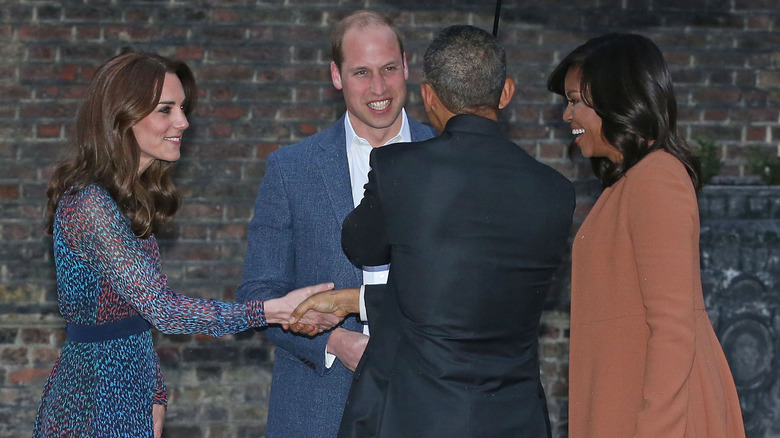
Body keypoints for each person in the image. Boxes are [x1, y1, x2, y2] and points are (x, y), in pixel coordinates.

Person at [33, 50, 336, 438]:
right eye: (166, 109)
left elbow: (135, 318)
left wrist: (155, 394)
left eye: (182, 107)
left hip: (128, 393)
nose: (183, 121)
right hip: (93, 401)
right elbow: (164, 311)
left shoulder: (126, 200)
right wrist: (269, 311)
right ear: (121, 117)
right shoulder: (90, 204)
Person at [292, 24, 576, 438]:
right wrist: (357, 300)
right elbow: (477, 299)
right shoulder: (556, 192)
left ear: (428, 96)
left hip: (419, 416)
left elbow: (361, 246)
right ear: (507, 92)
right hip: (515, 420)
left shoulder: (399, 169)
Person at [234, 10, 436, 438]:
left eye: (388, 69)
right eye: (361, 72)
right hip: (317, 407)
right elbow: (258, 293)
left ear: (406, 64)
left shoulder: (448, 155)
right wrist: (333, 343)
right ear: (336, 76)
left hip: (433, 404)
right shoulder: (292, 169)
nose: (378, 88)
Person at [546, 33, 745, 437]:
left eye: (574, 101)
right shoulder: (631, 183)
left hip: (655, 418)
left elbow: (673, 328)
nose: (567, 116)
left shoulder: (656, 179)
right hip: (627, 405)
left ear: (615, 100)